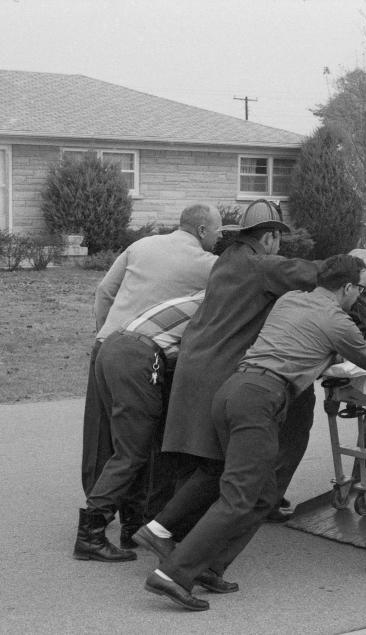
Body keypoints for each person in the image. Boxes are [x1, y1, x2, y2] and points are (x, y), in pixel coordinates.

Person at [144, 255, 366, 611]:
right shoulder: (336, 320)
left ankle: (211, 566)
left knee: (263, 494)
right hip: (260, 399)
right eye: (358, 289)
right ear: (348, 288)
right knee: (240, 496)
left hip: (233, 391)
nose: (359, 296)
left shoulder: (291, 299)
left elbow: (303, 343)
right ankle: (172, 574)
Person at [132, 200, 344, 554]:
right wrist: (352, 267)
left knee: (196, 457)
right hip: (219, 370)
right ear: (270, 238)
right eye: (278, 239)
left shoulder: (226, 262)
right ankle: (167, 532)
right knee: (221, 463)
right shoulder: (259, 266)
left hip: (192, 364)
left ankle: (177, 536)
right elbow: (309, 272)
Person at [82, 203, 220, 545]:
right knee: (143, 441)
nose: (219, 240)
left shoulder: (142, 245)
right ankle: (110, 525)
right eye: (218, 232)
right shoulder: (209, 265)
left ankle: (106, 510)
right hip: (145, 356)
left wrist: (106, 331)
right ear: (202, 231)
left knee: (103, 438)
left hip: (107, 346)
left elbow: (104, 292)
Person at [73, 291, 206, 563]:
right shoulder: (222, 303)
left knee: (136, 445)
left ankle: (132, 528)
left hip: (116, 346)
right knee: (131, 452)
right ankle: (90, 536)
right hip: (140, 355)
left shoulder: (204, 294)